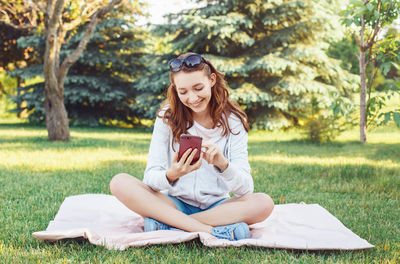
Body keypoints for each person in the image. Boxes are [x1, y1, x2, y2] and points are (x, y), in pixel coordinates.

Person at [110, 52, 274, 241]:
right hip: (173, 202)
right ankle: (210, 231)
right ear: (175, 90)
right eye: (183, 92)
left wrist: (223, 164)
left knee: (264, 203)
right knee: (119, 182)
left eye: (198, 88)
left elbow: (245, 189)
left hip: (217, 207)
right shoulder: (167, 117)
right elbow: (150, 178)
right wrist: (172, 174)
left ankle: (170, 225)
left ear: (212, 80)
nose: (192, 98)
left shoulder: (234, 121)